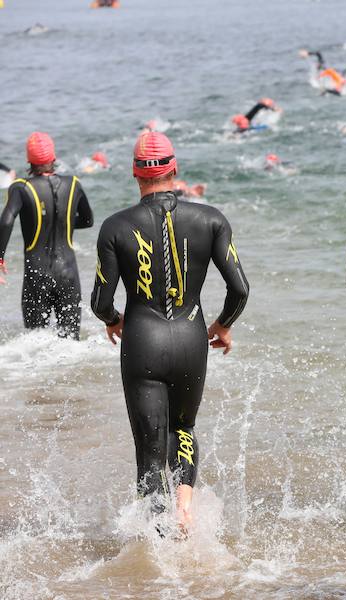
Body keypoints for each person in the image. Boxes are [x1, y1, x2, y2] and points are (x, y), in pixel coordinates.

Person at [90, 131, 250, 532]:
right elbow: (240, 289)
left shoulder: (115, 227)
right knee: (184, 428)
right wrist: (223, 325)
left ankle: (158, 545)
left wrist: (114, 320)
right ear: (175, 170)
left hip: (143, 342)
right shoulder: (211, 219)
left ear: (135, 174)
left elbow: (99, 301)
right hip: (192, 340)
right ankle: (185, 512)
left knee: (149, 449)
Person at [0, 132, 93, 338]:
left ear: (29, 160)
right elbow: (88, 221)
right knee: (71, 341)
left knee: (36, 342)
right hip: (68, 274)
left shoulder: (20, 187)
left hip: (37, 276)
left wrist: (0, 257)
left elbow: (6, 220)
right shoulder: (73, 183)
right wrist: (64, 224)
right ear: (53, 159)